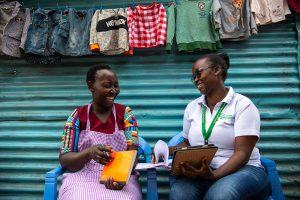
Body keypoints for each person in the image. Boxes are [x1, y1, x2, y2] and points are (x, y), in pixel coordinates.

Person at [167, 53, 271, 200]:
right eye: (193, 77)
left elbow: (242, 153)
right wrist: (166, 150)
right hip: (203, 172)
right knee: (179, 194)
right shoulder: (192, 107)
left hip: (243, 170)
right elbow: (187, 143)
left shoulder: (242, 105)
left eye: (198, 73)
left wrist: (214, 175)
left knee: (219, 196)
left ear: (216, 70)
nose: (196, 80)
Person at [58, 64, 142, 200]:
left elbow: (133, 154)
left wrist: (119, 178)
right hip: (82, 177)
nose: (113, 90)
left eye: (116, 85)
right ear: (91, 86)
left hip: (119, 176)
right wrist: (89, 152)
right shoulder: (77, 116)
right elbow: (65, 160)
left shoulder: (126, 115)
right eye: (108, 85)